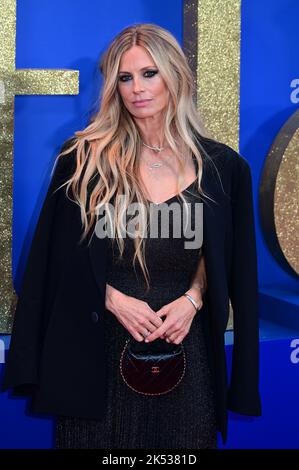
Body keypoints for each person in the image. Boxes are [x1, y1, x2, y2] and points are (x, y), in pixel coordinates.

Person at [1, 23, 261, 449]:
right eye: (125, 77)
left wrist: (193, 299)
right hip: (96, 351)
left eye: (148, 73)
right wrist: (111, 298)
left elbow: (228, 261)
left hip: (185, 348)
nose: (136, 88)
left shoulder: (223, 167)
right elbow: (55, 259)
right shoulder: (84, 158)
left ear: (175, 76)